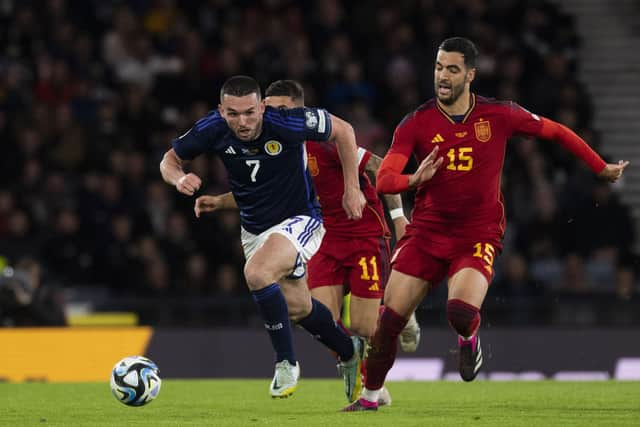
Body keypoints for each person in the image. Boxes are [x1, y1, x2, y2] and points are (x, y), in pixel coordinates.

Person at [343, 37, 629, 411]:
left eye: (452, 69)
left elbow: (555, 131)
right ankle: (369, 398)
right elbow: (384, 181)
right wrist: (413, 180)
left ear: (471, 75)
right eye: (438, 67)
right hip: (426, 235)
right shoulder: (416, 123)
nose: (442, 76)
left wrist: (599, 167)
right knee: (388, 325)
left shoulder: (500, 115)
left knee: (459, 313)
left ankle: (469, 337)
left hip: (476, 234)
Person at [194, 79, 421, 404]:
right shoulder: (273, 147)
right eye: (270, 111)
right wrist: (220, 202)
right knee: (319, 320)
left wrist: (398, 216)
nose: (273, 117)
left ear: (301, 111)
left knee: (362, 324)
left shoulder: (325, 142)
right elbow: (257, 195)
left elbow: (380, 169)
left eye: (283, 110)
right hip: (321, 239)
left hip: (362, 235)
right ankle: (371, 384)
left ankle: (400, 308)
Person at [160, 75, 366, 401]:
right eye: (232, 114)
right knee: (298, 309)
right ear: (220, 110)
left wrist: (351, 189)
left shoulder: (288, 122)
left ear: (262, 107)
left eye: (249, 113)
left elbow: (344, 131)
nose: (242, 122)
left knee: (257, 273)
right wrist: (179, 178)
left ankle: (285, 362)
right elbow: (169, 160)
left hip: (301, 219)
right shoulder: (211, 128)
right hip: (255, 229)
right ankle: (349, 350)